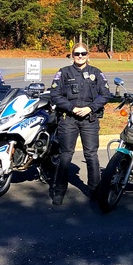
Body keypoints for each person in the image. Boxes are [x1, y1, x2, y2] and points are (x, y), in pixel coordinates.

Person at [49, 43, 110, 205]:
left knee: (91, 155)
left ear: (88, 55)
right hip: (69, 119)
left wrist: (90, 108)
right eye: (77, 54)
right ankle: (59, 191)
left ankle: (95, 190)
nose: (80, 56)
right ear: (72, 55)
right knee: (65, 155)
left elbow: (105, 94)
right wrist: (72, 108)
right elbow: (55, 94)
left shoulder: (96, 73)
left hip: (89, 119)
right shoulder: (63, 72)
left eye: (83, 53)